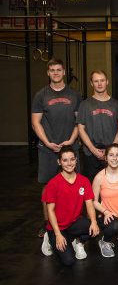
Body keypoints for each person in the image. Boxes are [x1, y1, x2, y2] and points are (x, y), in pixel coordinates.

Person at [32, 58, 82, 238]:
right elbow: (35, 122)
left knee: (74, 184)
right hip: (48, 149)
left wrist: (70, 140)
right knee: (48, 187)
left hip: (70, 148)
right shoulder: (41, 95)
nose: (55, 73)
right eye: (52, 70)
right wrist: (47, 142)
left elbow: (79, 122)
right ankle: (48, 225)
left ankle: (74, 221)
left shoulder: (74, 95)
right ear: (48, 73)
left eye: (58, 70)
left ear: (63, 72)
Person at [41, 145, 99, 266]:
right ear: (59, 162)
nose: (69, 163)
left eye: (72, 159)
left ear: (76, 160)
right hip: (56, 228)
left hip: (73, 223)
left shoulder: (84, 181)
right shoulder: (53, 184)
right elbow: (50, 211)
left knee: (93, 229)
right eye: (65, 160)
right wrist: (57, 234)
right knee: (69, 261)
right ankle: (49, 238)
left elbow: (89, 204)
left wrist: (93, 221)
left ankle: (77, 241)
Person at [78, 70, 118, 181]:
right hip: (90, 153)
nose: (99, 84)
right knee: (91, 189)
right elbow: (81, 129)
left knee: (111, 187)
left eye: (102, 80)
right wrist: (93, 149)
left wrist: (111, 150)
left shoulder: (117, 104)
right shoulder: (84, 105)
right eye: (96, 81)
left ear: (107, 82)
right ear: (91, 83)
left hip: (111, 154)